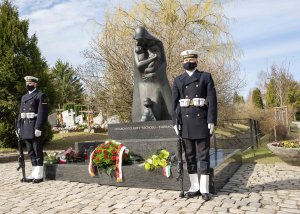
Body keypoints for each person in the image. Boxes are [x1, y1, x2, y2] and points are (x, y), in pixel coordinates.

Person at [172, 50, 217, 201]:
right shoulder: (178, 80)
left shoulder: (205, 77)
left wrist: (211, 120)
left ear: (196, 61)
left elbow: (212, 101)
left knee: (203, 156)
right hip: (185, 123)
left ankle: (204, 189)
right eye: (186, 59)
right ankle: (194, 187)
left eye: (191, 59)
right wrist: (175, 122)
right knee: (189, 156)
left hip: (202, 121)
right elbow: (174, 104)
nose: (188, 62)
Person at [17, 76, 48, 183]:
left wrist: (38, 127)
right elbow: (20, 114)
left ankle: (39, 173)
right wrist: (19, 127)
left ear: (35, 84)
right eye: (27, 83)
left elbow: (42, 113)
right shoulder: (24, 97)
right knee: (30, 151)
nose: (28, 85)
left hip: (34, 127)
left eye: (30, 83)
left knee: (37, 150)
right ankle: (34, 172)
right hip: (26, 127)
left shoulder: (40, 96)